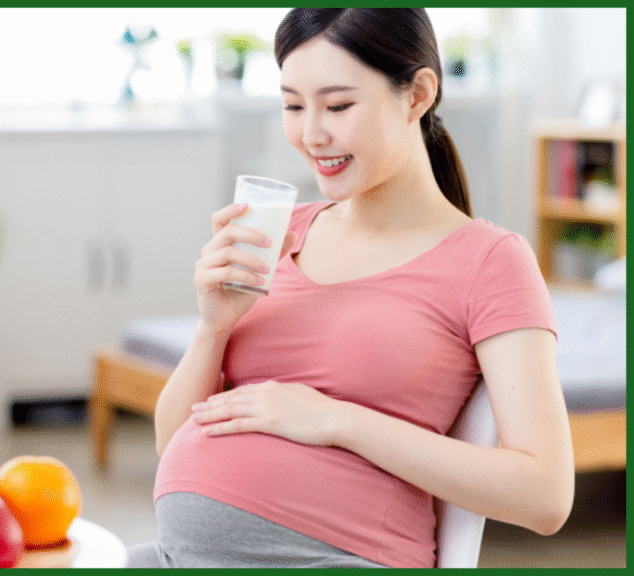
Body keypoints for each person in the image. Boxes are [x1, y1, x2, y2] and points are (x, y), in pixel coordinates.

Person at [126, 8, 574, 569]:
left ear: (418, 95)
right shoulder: (280, 233)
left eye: (338, 105)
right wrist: (213, 326)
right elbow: (174, 441)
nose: (311, 134)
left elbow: (546, 495)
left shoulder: (491, 261)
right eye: (293, 105)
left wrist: (336, 420)